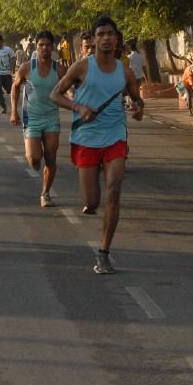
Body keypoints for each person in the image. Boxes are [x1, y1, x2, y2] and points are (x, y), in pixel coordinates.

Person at [50, 16, 144, 275]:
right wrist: (78, 107)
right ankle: (91, 205)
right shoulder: (81, 67)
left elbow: (138, 100)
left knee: (114, 190)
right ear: (94, 39)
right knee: (92, 201)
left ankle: (104, 253)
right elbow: (55, 94)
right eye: (101, 34)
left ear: (117, 38)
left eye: (110, 33)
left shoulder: (125, 72)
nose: (106, 38)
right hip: (85, 139)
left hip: (115, 136)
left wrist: (138, 109)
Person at [12, 30, 66, 207]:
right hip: (31, 118)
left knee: (50, 157)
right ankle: (35, 162)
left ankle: (46, 192)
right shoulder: (27, 68)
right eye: (41, 45)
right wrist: (14, 111)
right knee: (35, 158)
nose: (44, 48)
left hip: (51, 117)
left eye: (48, 45)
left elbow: (71, 87)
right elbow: (15, 87)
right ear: (36, 47)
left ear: (53, 47)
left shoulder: (59, 69)